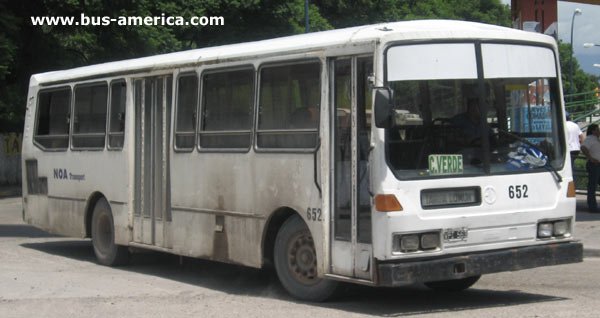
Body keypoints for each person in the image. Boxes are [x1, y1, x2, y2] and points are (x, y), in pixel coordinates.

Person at [580, 124, 600, 212]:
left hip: (597, 164)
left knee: (593, 185)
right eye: (597, 130)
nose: (599, 131)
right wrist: (590, 158)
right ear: (593, 131)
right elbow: (583, 147)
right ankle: (592, 207)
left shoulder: (596, 139)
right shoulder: (590, 138)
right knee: (592, 186)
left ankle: (593, 205)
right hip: (594, 165)